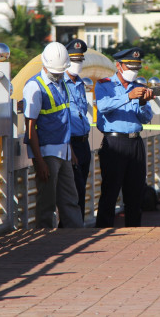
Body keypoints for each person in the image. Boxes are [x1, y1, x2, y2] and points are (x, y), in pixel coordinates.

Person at [22, 42, 83, 228]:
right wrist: (39, 161)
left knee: (70, 199)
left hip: (63, 151)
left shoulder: (61, 83)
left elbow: (63, 119)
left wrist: (69, 149)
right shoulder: (34, 86)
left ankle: (77, 235)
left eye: (60, 71)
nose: (58, 75)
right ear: (44, 64)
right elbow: (30, 127)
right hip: (47, 154)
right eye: (55, 71)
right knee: (47, 202)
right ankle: (44, 240)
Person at [94, 47, 155, 228]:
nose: (134, 72)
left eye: (137, 68)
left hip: (135, 142)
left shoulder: (140, 86)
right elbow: (103, 106)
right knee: (110, 192)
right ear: (119, 66)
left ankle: (133, 232)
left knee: (135, 193)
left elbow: (146, 118)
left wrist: (143, 103)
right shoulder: (105, 84)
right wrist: (128, 96)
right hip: (115, 142)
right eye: (130, 67)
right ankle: (102, 231)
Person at [64, 39, 92, 221]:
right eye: (74, 60)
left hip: (84, 142)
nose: (78, 64)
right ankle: (74, 230)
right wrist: (69, 148)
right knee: (75, 190)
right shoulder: (59, 83)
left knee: (80, 190)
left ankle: (74, 227)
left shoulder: (81, 84)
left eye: (80, 60)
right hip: (70, 144)